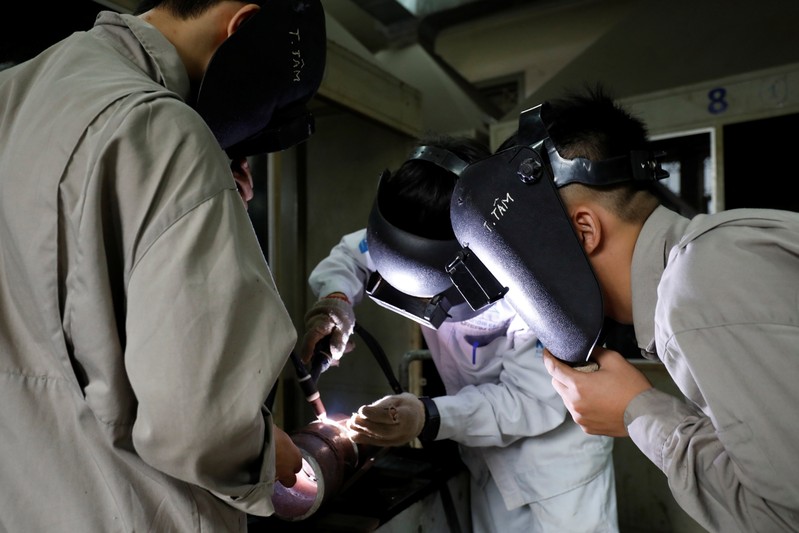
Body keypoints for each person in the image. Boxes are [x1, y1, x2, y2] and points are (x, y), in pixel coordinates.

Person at [0, 0, 326, 531]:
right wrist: (270, 459)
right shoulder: (165, 129)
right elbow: (198, 426)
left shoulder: (17, 93)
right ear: (240, 25)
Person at [494, 86, 798, 532]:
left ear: (583, 231)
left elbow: (782, 518)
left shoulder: (696, 286)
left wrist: (638, 411)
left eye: (531, 263)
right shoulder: (716, 252)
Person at [299, 135, 619, 532]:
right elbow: (353, 254)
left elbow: (529, 399)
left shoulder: (536, 281)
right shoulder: (415, 226)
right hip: (484, 459)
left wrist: (428, 415)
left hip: (556, 475)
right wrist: (335, 302)